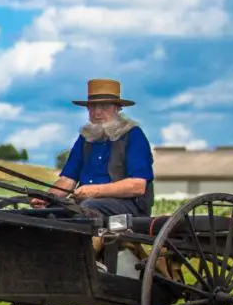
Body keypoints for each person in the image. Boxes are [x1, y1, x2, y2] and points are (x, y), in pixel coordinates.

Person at [31, 78, 154, 217]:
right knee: (50, 211)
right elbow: (68, 180)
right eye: (92, 107)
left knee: (87, 207)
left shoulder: (133, 135)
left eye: (104, 106)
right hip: (86, 204)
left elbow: (137, 186)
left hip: (128, 206)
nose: (97, 113)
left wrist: (95, 191)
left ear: (117, 108)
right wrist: (47, 198)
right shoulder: (85, 138)